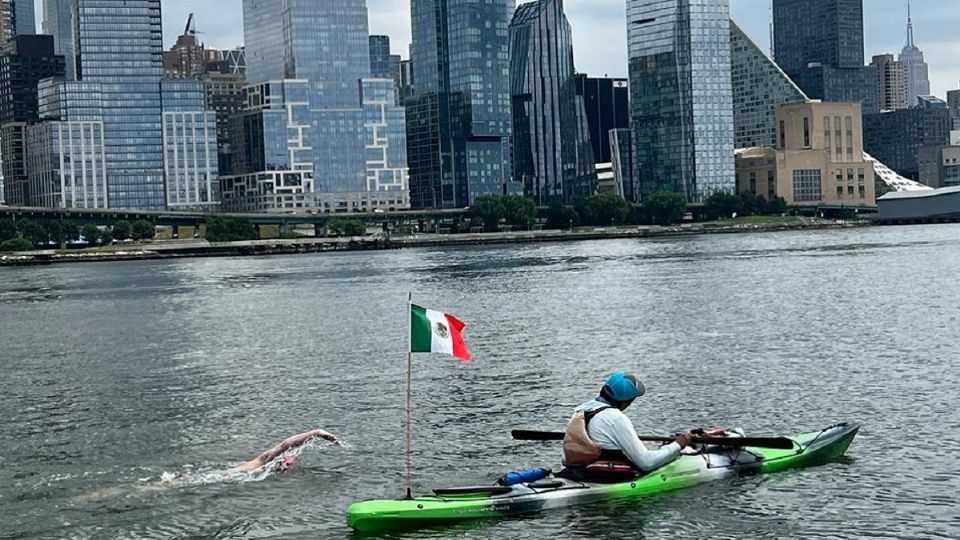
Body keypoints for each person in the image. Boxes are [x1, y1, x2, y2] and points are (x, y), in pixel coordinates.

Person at [560, 372, 693, 479]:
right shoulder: (616, 418)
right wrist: (678, 445)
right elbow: (646, 463)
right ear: (626, 402)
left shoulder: (581, 411)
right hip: (602, 477)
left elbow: (565, 458)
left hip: (577, 471)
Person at [228, 428, 339, 473]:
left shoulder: (269, 468)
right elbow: (285, 445)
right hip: (231, 474)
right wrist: (315, 433)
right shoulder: (265, 460)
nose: (287, 465)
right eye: (286, 463)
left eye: (288, 464)